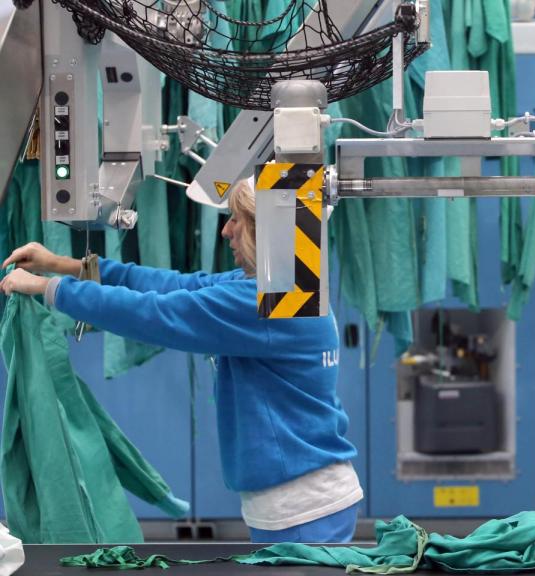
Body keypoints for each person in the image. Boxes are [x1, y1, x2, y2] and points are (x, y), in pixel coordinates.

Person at [0, 179, 363, 543]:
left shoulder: (270, 305)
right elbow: (174, 287)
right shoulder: (289, 292)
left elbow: (155, 313)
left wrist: (48, 289)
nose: (226, 231)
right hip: (298, 501)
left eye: (236, 219)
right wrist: (63, 265)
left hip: (302, 507)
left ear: (264, 229)